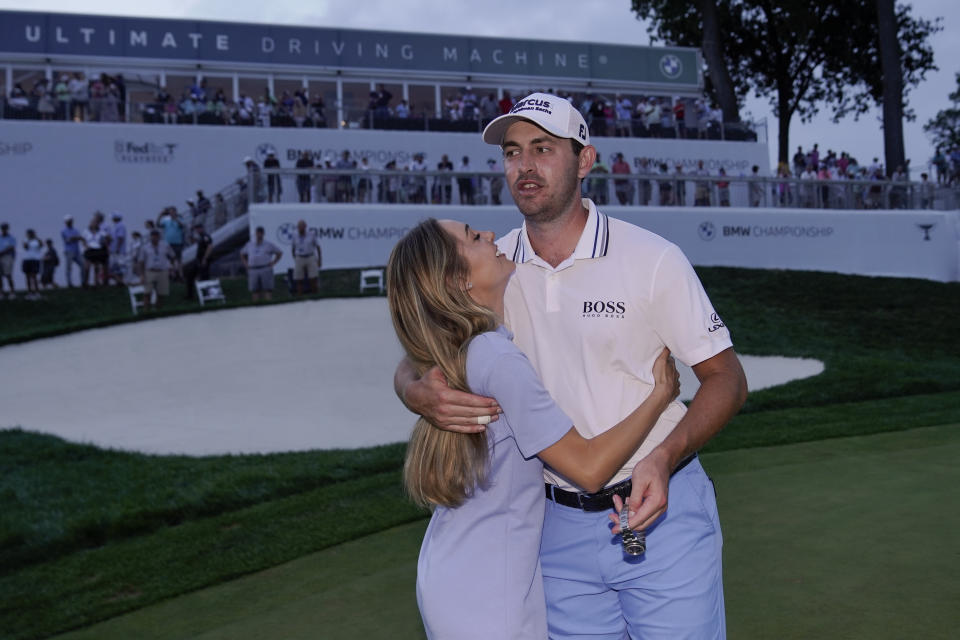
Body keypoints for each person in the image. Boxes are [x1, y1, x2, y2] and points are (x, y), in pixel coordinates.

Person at [395, 92, 747, 638]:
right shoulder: (497, 268)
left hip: (663, 508)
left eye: (543, 148)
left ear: (584, 160)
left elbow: (726, 378)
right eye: (513, 153)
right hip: (554, 530)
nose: (525, 166)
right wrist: (414, 391)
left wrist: (665, 454)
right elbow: (426, 346)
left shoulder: (652, 259)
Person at [388, 217, 680, 639]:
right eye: (473, 238)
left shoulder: (461, 349)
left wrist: (408, 388)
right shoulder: (495, 358)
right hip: (489, 599)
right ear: (457, 281)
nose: (489, 235)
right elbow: (589, 468)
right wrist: (659, 395)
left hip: (452, 575)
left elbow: (412, 360)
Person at [135, 229, 175, 310]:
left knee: (161, 293)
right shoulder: (145, 247)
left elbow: (172, 256)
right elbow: (141, 262)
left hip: (162, 271)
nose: (154, 237)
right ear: (150, 236)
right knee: (147, 292)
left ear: (159, 236)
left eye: (156, 235)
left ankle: (158, 309)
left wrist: (171, 266)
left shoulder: (165, 245)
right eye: (153, 235)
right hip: (150, 271)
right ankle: (146, 310)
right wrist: (142, 275)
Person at [240, 226, 282, 302]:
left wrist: (274, 262)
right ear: (255, 234)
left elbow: (279, 253)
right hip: (253, 269)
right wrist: (246, 264)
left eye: (260, 233)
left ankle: (268, 306)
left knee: (267, 289)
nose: (259, 235)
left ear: (263, 234)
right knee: (255, 290)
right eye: (257, 233)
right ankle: (256, 307)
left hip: (265, 268)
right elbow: (242, 254)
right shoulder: (250, 244)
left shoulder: (268, 244)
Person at [290, 219, 322, 295]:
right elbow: (293, 248)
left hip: (310, 256)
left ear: (305, 226)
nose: (300, 228)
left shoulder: (311, 234)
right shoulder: (294, 235)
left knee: (313, 278)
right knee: (299, 279)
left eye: (302, 226)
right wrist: (295, 257)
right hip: (299, 257)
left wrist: (319, 259)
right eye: (299, 227)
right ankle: (300, 298)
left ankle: (315, 297)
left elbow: (317, 247)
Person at [184, 222, 213, 300]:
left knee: (205, 277)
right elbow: (192, 241)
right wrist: (190, 232)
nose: (198, 230)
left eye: (199, 228)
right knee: (190, 275)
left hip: (203, 260)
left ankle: (207, 295)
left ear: (202, 228)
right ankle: (190, 295)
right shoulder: (200, 237)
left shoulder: (206, 236)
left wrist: (205, 258)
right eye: (197, 229)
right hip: (198, 260)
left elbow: (210, 247)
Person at [61, 215, 84, 287]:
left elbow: (79, 238)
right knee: (69, 268)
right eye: (68, 221)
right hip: (69, 251)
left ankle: (83, 282)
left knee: (83, 265)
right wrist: (76, 238)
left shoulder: (76, 230)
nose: (70, 222)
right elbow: (68, 240)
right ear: (66, 222)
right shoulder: (63, 231)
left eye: (71, 220)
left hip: (77, 251)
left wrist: (75, 238)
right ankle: (69, 283)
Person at [0, 222, 16, 298]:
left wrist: (2, 252)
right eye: (2, 228)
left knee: (8, 275)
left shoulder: (11, 238)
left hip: (7, 258)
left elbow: (11, 248)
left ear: (7, 229)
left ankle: (12, 292)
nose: (4, 229)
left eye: (5, 228)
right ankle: (1, 293)